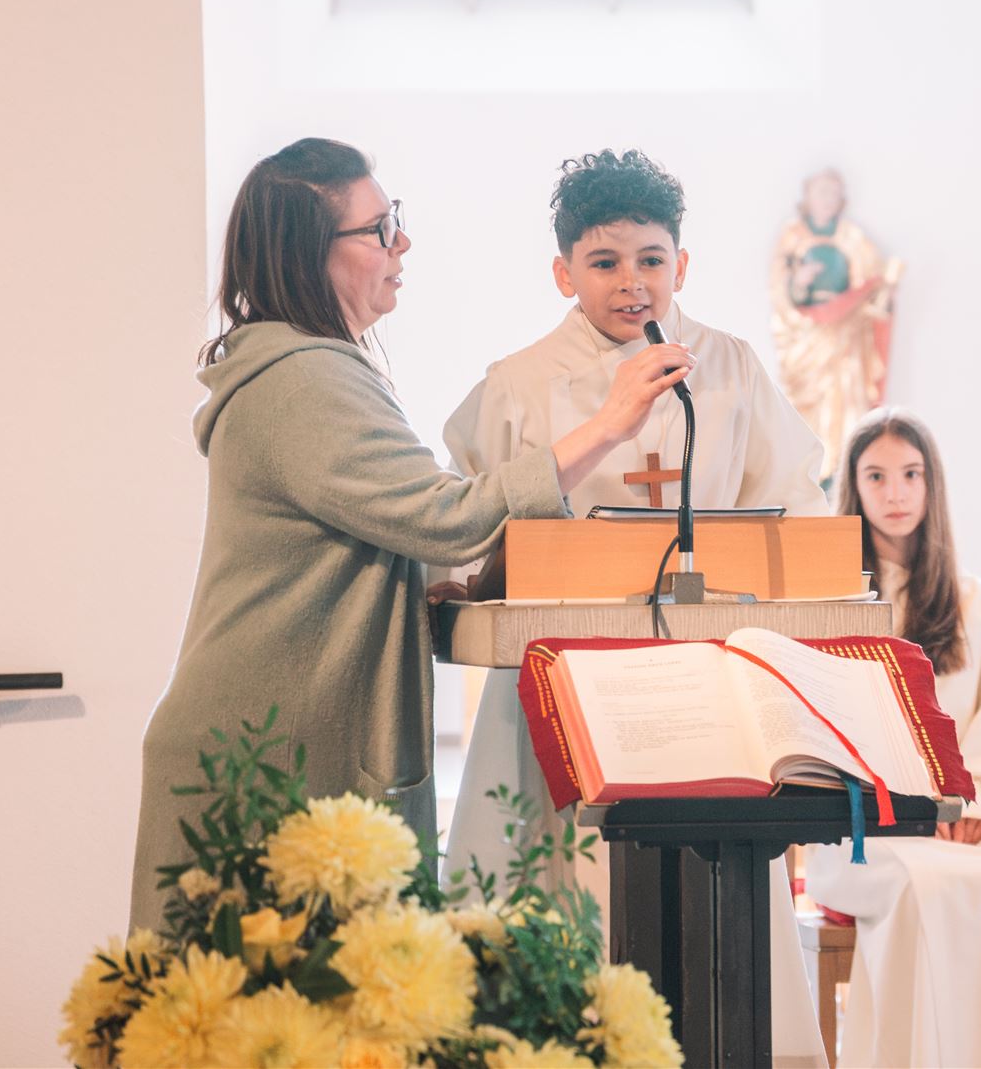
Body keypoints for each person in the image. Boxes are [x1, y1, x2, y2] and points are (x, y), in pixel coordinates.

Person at [128, 139, 692, 931]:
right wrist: (607, 426)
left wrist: (444, 583)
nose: (403, 244)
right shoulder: (302, 379)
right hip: (268, 750)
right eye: (380, 228)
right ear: (310, 252)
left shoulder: (317, 366)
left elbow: (385, 529)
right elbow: (444, 515)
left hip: (280, 736)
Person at [441, 148, 830, 1068]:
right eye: (605, 261)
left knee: (711, 941)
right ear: (564, 272)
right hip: (561, 681)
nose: (632, 282)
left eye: (651, 259)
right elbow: (461, 521)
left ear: (681, 264)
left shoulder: (730, 368)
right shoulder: (519, 383)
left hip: (705, 686)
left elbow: (796, 512)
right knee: (556, 914)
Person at [803, 408, 981, 1069]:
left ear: (933, 483)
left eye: (911, 474)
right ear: (853, 486)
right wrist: (911, 810)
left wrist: (971, 805)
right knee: (919, 887)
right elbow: (820, 729)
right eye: (877, 476)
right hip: (864, 833)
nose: (896, 493)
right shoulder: (828, 606)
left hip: (975, 829)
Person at [768, 168, 900, 482]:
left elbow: (872, 285)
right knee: (806, 417)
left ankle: (839, 478)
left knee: (845, 411)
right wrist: (800, 283)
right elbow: (780, 290)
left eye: (834, 193)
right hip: (807, 340)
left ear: (842, 200)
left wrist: (885, 288)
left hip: (845, 338)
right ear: (807, 197)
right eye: (821, 192)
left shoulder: (853, 238)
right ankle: (811, 478)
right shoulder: (793, 237)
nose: (827, 199)